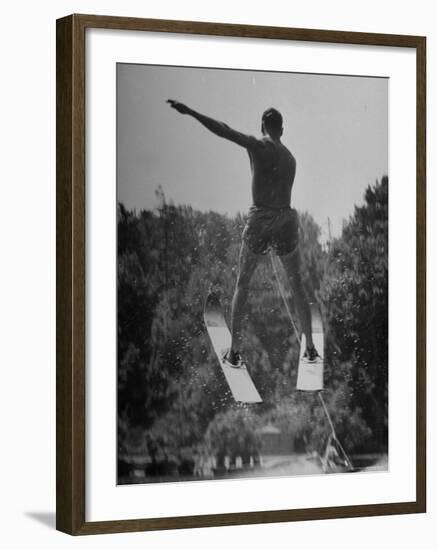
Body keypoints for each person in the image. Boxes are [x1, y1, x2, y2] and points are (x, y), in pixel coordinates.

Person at [167, 99, 320, 367]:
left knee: (243, 283)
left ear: (262, 127)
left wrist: (191, 112)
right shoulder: (292, 160)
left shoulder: (258, 145)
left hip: (260, 218)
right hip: (286, 219)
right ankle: (309, 348)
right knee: (296, 285)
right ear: (282, 130)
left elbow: (224, 130)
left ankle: (235, 352)